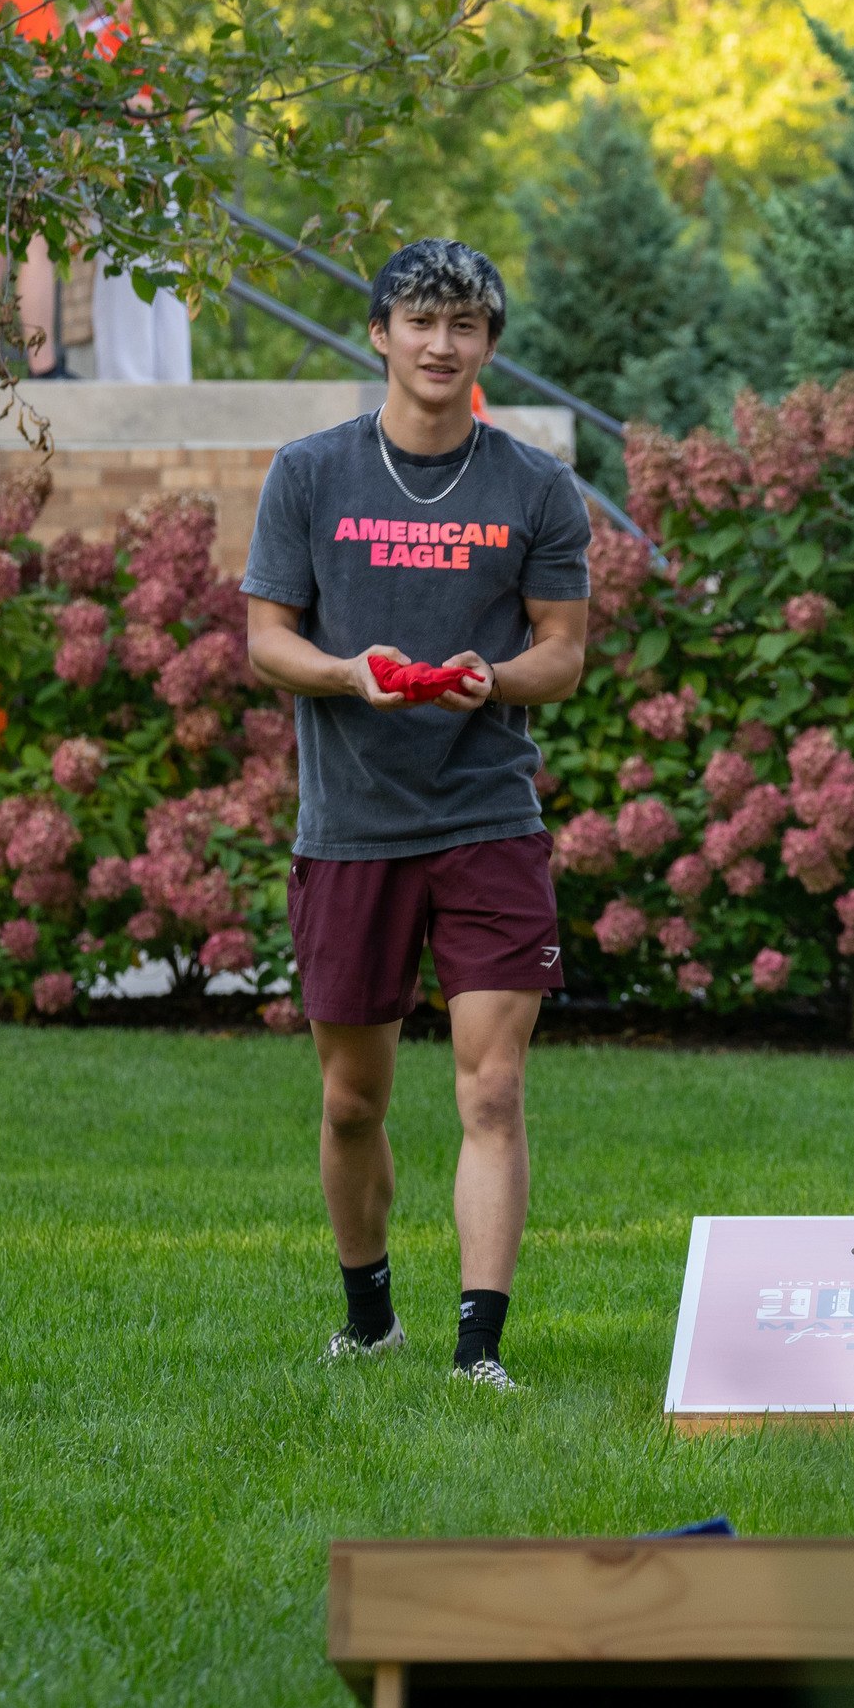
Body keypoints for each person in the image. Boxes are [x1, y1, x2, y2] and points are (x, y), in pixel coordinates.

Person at [242, 240, 591, 1388]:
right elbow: (267, 639)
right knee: (353, 1100)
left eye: (465, 325)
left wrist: (498, 677)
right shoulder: (310, 473)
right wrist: (347, 673)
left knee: (493, 1088)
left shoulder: (534, 486)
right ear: (381, 333)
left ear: (488, 344)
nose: (442, 344)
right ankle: (369, 1317)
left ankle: (477, 1349)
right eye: (422, 321)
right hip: (351, 824)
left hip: (487, 816)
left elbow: (562, 652)